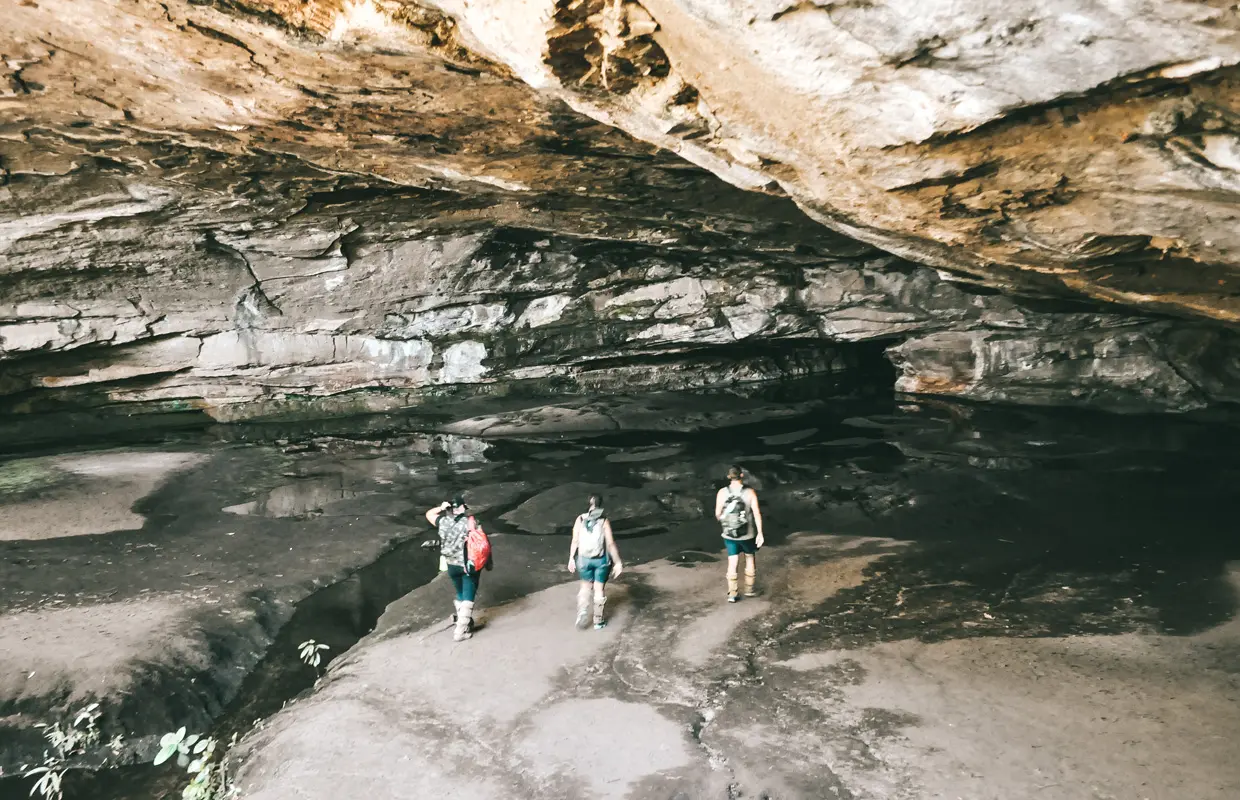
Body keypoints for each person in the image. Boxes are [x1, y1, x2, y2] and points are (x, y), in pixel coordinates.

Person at [425, 494, 488, 641]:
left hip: (451, 565)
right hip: (468, 564)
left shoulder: (442, 521)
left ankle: (465, 623)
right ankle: (460, 632)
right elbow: (482, 543)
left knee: (460, 593)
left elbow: (429, 514)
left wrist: (441, 508)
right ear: (461, 508)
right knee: (468, 597)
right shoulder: (471, 522)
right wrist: (488, 561)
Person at [567, 494, 623, 629]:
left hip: (583, 559)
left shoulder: (580, 519)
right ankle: (598, 621)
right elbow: (610, 544)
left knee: (585, 586)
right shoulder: (604, 520)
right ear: (601, 504)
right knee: (599, 588)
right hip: (601, 560)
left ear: (587, 504)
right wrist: (618, 562)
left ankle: (582, 612)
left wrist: (571, 559)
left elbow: (575, 540)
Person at [714, 465, 764, 602]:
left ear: (729, 477)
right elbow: (756, 514)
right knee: (749, 558)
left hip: (729, 534)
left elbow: (718, 514)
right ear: (741, 475)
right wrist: (760, 533)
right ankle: (749, 589)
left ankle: (732, 593)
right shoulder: (750, 492)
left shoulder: (722, 492)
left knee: (733, 559)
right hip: (747, 534)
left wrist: (729, 522)